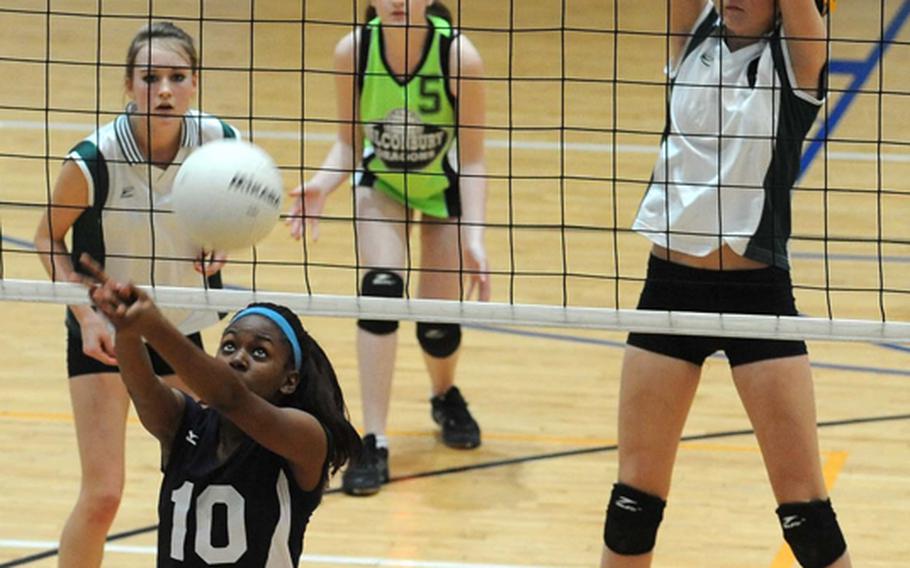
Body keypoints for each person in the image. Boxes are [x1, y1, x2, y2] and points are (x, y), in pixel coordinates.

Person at [602, 1, 851, 567]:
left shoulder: (799, 58)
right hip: (667, 292)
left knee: (806, 516)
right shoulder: (692, 32)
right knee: (631, 506)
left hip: (756, 298)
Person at [33, 22, 240, 567]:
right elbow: (47, 239)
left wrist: (225, 242)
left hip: (179, 329)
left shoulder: (222, 144)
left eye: (178, 76)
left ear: (195, 84)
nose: (165, 90)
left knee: (209, 480)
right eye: (151, 77)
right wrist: (86, 314)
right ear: (129, 86)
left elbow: (238, 217)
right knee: (103, 495)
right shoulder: (91, 161)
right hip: (105, 335)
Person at [288, 0, 490, 496]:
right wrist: (321, 184)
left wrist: (475, 236)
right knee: (379, 292)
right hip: (382, 188)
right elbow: (348, 144)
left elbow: (474, 155)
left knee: (438, 329)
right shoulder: (353, 52)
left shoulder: (458, 56)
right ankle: (372, 438)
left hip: (441, 191)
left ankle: (444, 394)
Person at [77, 253, 361, 567]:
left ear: (289, 381)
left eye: (259, 352)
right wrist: (127, 329)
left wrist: (153, 324)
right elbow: (143, 388)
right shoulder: (185, 424)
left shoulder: (304, 437)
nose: (239, 358)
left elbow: (231, 398)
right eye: (229, 346)